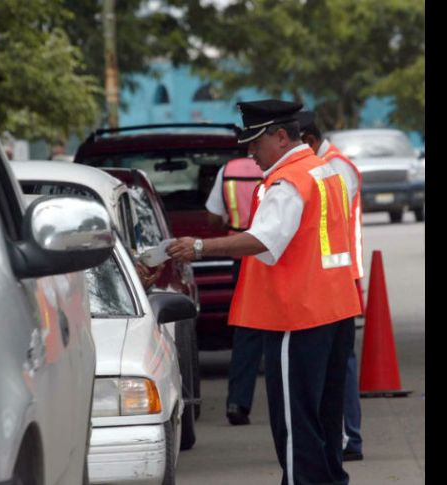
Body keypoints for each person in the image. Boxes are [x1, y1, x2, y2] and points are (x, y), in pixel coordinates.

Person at [167, 99, 361, 485]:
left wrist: (201, 247)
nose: (250, 153)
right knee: (325, 413)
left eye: (255, 142)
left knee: (295, 419)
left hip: (298, 314)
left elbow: (262, 239)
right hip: (334, 308)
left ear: (282, 136)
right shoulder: (324, 172)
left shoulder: (289, 182)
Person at [298, 110, 365, 462]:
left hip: (340, 276)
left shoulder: (334, 167)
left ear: (308, 140)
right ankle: (344, 436)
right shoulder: (329, 165)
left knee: (340, 362)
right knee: (339, 360)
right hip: (335, 275)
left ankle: (347, 437)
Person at [204, 156, 264, 425]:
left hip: (243, 259)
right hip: (279, 255)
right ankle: (289, 400)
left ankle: (238, 403)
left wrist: (232, 223)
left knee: (247, 331)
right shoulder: (282, 168)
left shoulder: (228, 170)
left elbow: (213, 217)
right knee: (287, 331)